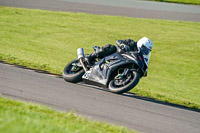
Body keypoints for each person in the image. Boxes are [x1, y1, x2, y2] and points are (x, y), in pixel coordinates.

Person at [85, 37, 153, 76]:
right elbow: (118, 41)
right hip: (116, 55)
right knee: (111, 47)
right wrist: (123, 45)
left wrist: (144, 69)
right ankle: (90, 57)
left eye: (147, 51)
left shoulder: (140, 56)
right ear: (141, 44)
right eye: (144, 49)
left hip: (122, 62)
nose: (145, 52)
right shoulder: (131, 43)